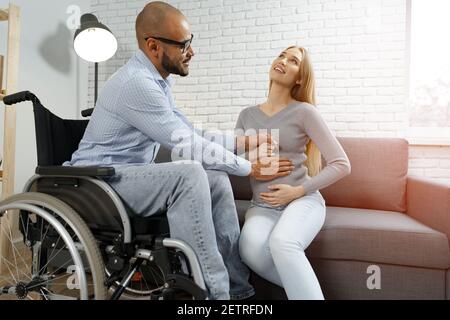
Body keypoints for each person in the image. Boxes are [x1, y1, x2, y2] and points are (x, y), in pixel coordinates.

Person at [66, 2, 293, 300]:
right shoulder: (137, 84)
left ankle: (239, 292)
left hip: (123, 177)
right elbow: (186, 144)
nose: (192, 51)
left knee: (215, 177)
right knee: (189, 172)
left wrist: (244, 141)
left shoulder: (158, 82)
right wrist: (248, 167)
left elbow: (192, 132)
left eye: (191, 41)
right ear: (154, 46)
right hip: (98, 182)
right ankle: (214, 296)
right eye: (184, 44)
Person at [236, 46, 351, 300]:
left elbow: (342, 163)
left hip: (302, 201)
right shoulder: (247, 115)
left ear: (299, 77)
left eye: (293, 61)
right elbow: (236, 160)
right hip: (262, 206)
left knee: (283, 243)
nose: (283, 61)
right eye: (281, 56)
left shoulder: (304, 112)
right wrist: (254, 165)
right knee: (249, 251)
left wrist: (297, 191)